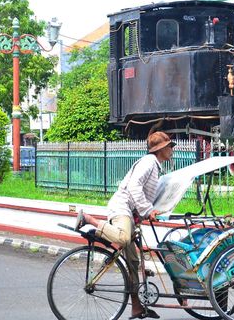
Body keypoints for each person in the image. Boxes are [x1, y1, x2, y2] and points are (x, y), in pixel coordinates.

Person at [75, 131, 175, 319]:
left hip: (130, 214)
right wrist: (147, 210)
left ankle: (136, 307)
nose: (172, 149)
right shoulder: (148, 162)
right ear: (160, 149)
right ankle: (89, 220)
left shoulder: (155, 166)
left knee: (133, 263)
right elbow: (134, 186)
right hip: (122, 209)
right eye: (169, 146)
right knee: (123, 236)